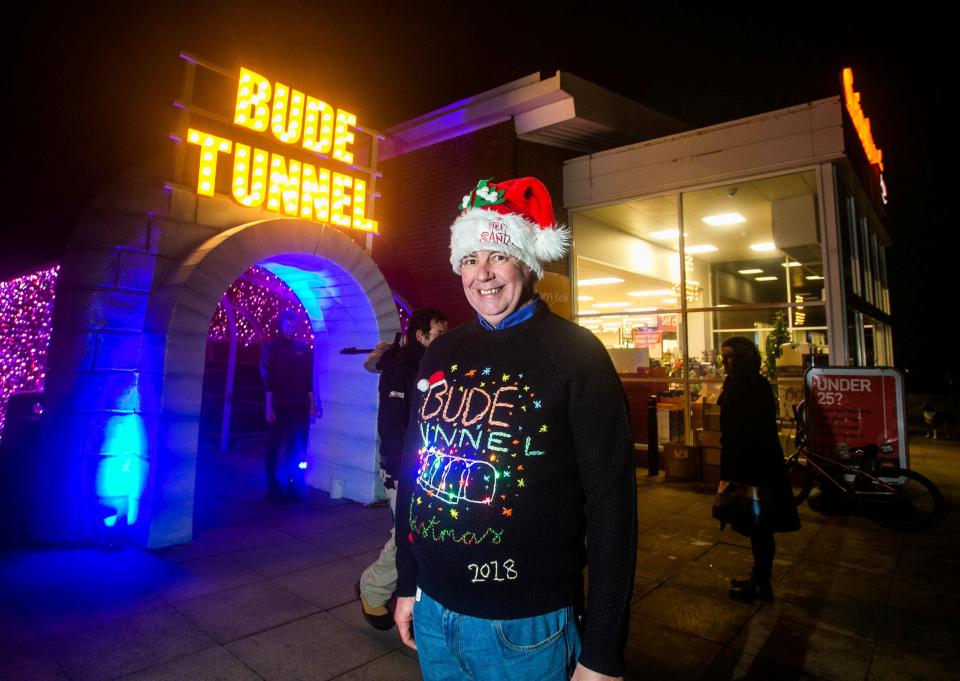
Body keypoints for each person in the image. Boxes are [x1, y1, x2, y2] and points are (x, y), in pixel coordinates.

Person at [394, 177, 637, 681]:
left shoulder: (576, 353)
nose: (481, 274)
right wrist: (406, 581)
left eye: (496, 255)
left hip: (526, 630)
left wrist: (603, 651)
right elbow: (414, 472)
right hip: (434, 612)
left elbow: (612, 505)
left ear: (526, 261)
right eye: (468, 259)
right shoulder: (441, 351)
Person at [357, 308, 448, 630]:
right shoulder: (401, 368)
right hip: (403, 466)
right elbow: (393, 423)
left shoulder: (433, 365)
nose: (443, 340)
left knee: (420, 534)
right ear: (421, 336)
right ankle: (373, 587)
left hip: (427, 463)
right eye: (437, 334)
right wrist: (396, 469)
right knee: (407, 536)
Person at [718, 336, 800, 602]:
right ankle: (758, 577)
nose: (724, 362)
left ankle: (761, 582)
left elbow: (748, 429)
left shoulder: (751, 385)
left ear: (741, 357)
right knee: (755, 525)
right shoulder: (742, 383)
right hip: (748, 461)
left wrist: (734, 464)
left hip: (755, 464)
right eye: (723, 356)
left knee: (760, 525)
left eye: (729, 356)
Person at [260, 309, 317, 502]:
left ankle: (294, 482)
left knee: (296, 445)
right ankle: (272, 484)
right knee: (275, 444)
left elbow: (308, 377)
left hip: (299, 404)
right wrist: (269, 406)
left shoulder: (303, 347)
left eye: (293, 324)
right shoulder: (272, 347)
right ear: (281, 324)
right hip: (280, 403)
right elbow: (268, 378)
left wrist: (312, 404)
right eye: (287, 323)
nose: (290, 327)